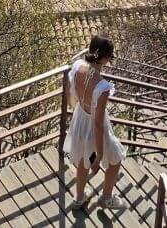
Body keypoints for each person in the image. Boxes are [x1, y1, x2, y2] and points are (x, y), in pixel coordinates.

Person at [64, 35, 127, 212]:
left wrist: (73, 108)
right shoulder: (102, 87)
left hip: (79, 119)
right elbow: (98, 124)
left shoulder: (77, 67)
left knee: (84, 159)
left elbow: (70, 93)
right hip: (94, 126)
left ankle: (79, 198)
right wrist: (99, 155)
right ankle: (106, 198)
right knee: (115, 159)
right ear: (106, 58)